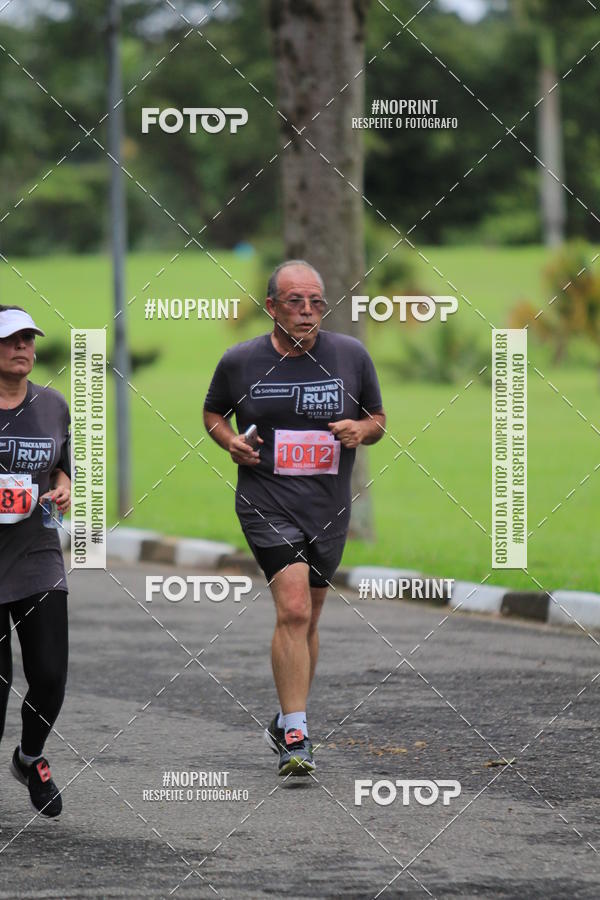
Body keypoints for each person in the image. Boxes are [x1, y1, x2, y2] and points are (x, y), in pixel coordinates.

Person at [204, 260, 385, 776]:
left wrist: (360, 429)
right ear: (272, 307)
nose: (307, 312)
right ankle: (299, 734)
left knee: (310, 618)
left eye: (316, 302)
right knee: (295, 608)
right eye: (295, 302)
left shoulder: (350, 355)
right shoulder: (241, 361)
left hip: (327, 505)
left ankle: (286, 716)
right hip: (266, 501)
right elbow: (213, 411)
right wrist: (230, 442)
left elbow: (378, 417)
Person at [0, 305, 71, 817]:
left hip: (38, 556)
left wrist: (64, 485)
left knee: (49, 675)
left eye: (28, 338)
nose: (23, 347)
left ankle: (30, 758)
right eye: (10, 339)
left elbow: (61, 464)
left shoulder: (52, 405)